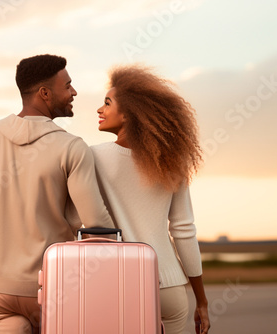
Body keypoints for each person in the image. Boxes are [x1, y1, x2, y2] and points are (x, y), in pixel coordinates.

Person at [0, 54, 114, 334]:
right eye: (67, 86)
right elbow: (97, 225)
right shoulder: (72, 147)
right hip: (56, 289)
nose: (74, 92)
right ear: (44, 93)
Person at [92, 65, 210, 334]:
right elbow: (183, 231)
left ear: (129, 114)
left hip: (115, 285)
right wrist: (201, 300)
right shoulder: (171, 162)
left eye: (107, 103)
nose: (99, 109)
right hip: (169, 287)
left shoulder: (90, 157)